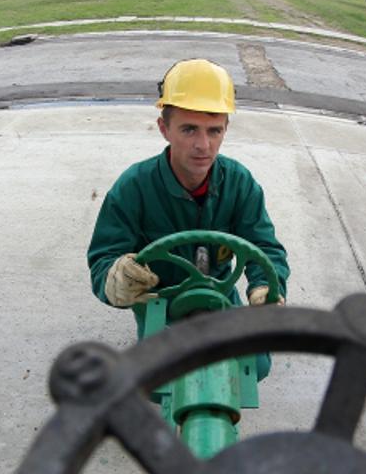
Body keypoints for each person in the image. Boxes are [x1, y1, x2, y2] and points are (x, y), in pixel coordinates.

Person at [86, 58, 290, 351]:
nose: (203, 145)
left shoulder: (239, 183)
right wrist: (114, 279)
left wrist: (266, 287)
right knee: (158, 368)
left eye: (214, 130)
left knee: (256, 362)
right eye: (189, 129)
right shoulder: (133, 187)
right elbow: (103, 258)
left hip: (219, 293)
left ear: (226, 129)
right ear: (164, 128)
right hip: (160, 302)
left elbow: (264, 247)